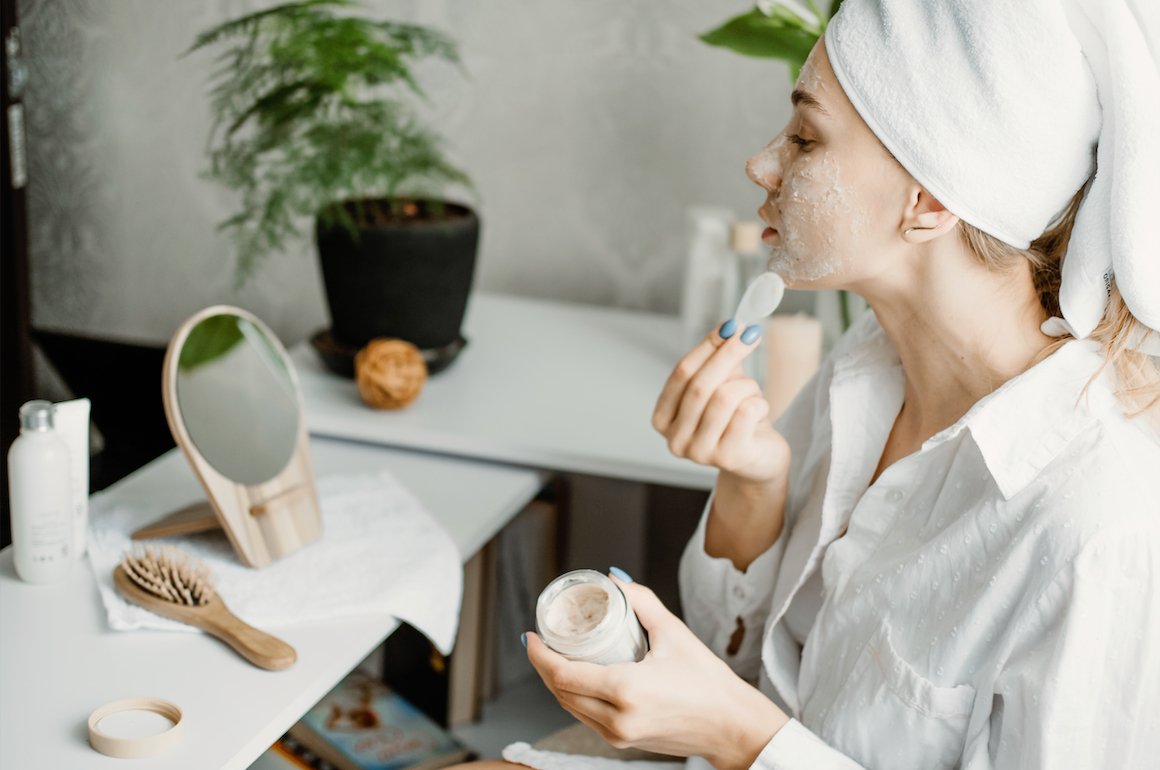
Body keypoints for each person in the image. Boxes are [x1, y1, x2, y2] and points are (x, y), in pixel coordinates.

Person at [448, 1, 1160, 767]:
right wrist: (754, 486)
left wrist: (737, 737)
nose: (761, 165)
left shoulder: (1099, 526)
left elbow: (738, 718)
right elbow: (748, 669)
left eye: (805, 138)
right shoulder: (867, 367)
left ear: (929, 201)